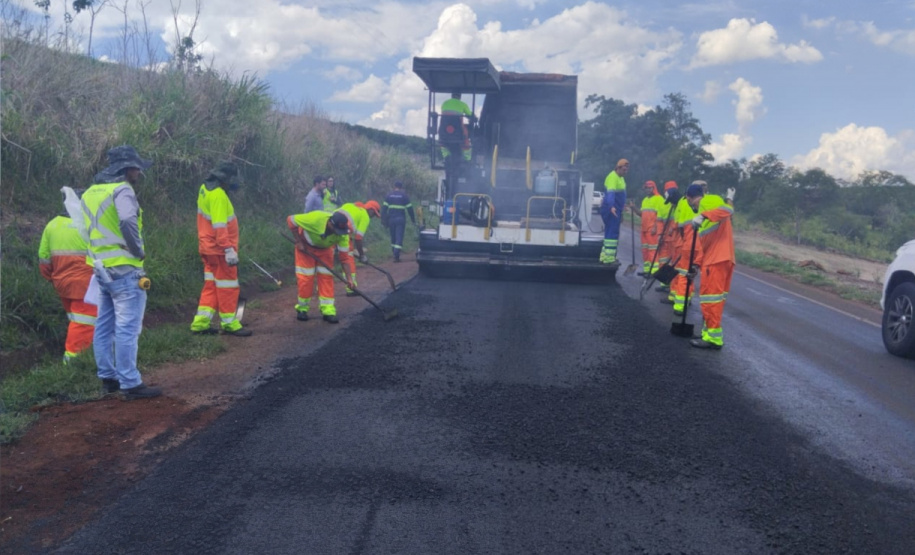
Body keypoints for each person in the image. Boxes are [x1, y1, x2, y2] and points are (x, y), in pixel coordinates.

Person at [81, 145, 161, 399]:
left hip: (100, 268)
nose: (139, 171)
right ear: (127, 168)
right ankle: (130, 382)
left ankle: (108, 378)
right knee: (127, 328)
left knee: (104, 325)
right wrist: (137, 250)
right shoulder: (123, 189)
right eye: (136, 166)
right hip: (125, 268)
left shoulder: (90, 192)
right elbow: (127, 220)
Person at [190, 161, 251, 337]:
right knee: (227, 286)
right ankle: (230, 323)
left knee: (211, 285)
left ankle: (200, 323)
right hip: (219, 250)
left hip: (207, 248)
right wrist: (228, 249)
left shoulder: (204, 188)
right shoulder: (218, 195)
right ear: (225, 179)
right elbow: (219, 225)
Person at [38, 198, 97, 363]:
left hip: (62, 283)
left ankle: (87, 355)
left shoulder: (52, 225)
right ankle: (73, 363)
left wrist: (52, 278)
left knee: (77, 321)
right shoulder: (89, 224)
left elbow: (43, 259)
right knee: (83, 323)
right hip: (86, 284)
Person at [686, 184, 736, 350]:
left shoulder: (707, 201)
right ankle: (708, 334)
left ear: (690, 197)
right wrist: (696, 264)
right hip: (718, 258)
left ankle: (714, 339)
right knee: (714, 300)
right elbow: (704, 245)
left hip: (717, 260)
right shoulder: (705, 217)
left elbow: (728, 210)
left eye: (689, 201)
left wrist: (703, 215)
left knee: (710, 300)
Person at [287, 210, 353, 323]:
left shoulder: (343, 235)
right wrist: (298, 241)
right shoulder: (315, 219)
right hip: (305, 248)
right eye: (336, 230)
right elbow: (291, 220)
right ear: (330, 223)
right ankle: (302, 309)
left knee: (326, 278)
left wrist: (349, 279)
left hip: (325, 251)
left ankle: (328, 311)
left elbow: (344, 258)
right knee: (306, 279)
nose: (338, 234)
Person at [667, 182, 705, 312]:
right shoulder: (708, 202)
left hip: (689, 244)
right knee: (691, 273)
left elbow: (680, 226)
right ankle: (687, 299)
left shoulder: (684, 202)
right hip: (702, 246)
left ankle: (680, 306)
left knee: (684, 274)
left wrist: (683, 240)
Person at [336, 200, 381, 296]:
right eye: (374, 214)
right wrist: (362, 255)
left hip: (330, 227)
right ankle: (351, 288)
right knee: (348, 258)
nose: (372, 217)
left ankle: (320, 289)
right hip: (343, 233)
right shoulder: (365, 216)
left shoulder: (351, 205)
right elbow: (358, 238)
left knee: (326, 256)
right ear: (371, 210)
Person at [628, 180, 663, 276]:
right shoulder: (645, 200)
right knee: (645, 251)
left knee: (652, 251)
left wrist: (655, 227)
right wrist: (633, 208)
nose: (647, 190)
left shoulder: (659, 199)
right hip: (644, 229)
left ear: (653, 188)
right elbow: (641, 214)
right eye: (646, 188)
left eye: (649, 188)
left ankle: (654, 272)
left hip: (652, 230)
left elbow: (660, 216)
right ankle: (647, 270)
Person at [599, 158, 628, 265]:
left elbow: (620, 194)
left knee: (609, 232)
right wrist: (612, 207)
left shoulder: (621, 178)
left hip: (617, 208)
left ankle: (604, 256)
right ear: (618, 168)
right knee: (612, 233)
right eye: (624, 170)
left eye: (626, 170)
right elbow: (611, 194)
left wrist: (623, 205)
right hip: (611, 209)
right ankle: (609, 259)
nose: (625, 172)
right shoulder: (613, 177)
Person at [654, 181, 679, 292]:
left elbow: (680, 220)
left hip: (675, 238)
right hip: (665, 238)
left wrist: (672, 227)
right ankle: (664, 284)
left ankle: (674, 286)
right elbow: (659, 222)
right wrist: (659, 234)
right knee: (663, 260)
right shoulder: (663, 204)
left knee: (675, 262)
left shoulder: (680, 204)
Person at [382, 181, 416, 262]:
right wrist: (413, 220)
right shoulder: (404, 196)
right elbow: (410, 209)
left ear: (394, 186)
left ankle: (394, 251)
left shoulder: (389, 195)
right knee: (399, 237)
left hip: (391, 219)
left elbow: (383, 210)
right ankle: (396, 254)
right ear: (401, 187)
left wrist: (383, 220)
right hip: (400, 219)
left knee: (393, 237)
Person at [440, 92, 473, 162]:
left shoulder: (444, 103)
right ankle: (467, 159)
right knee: (466, 138)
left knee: (442, 141)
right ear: (460, 97)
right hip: (458, 132)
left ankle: (446, 156)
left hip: (444, 131)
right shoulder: (463, 104)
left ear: (452, 96)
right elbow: (469, 115)